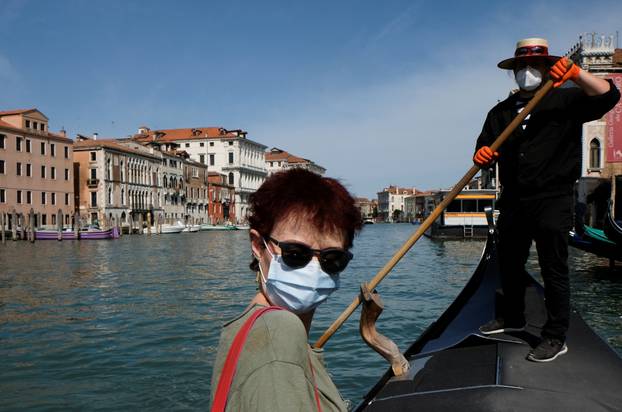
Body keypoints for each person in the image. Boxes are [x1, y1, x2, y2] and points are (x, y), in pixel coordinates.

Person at [474, 38, 620, 362]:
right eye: (522, 67)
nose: (528, 72)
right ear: (514, 73)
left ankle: (555, 336)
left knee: (554, 268)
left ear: (545, 68)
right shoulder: (499, 113)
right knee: (509, 261)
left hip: (552, 197)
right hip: (514, 198)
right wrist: (481, 154)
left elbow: (610, 95)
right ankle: (512, 316)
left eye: (534, 66)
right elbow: (483, 147)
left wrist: (577, 73)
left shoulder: (567, 101)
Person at [210, 168, 362, 411]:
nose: (314, 270)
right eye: (295, 254)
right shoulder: (277, 333)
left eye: (332, 258)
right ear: (258, 246)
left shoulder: (250, 326)